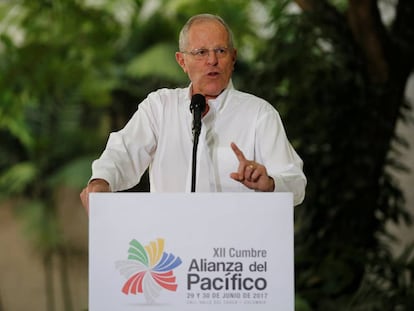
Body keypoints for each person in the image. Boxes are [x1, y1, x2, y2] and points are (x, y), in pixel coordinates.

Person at [80, 13, 306, 211]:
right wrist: (100, 182)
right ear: (182, 61)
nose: (212, 61)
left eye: (220, 50)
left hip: (236, 254)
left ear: (233, 58)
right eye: (200, 52)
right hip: (168, 249)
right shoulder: (160, 107)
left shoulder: (260, 114)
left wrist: (270, 183)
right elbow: (124, 153)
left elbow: (296, 183)